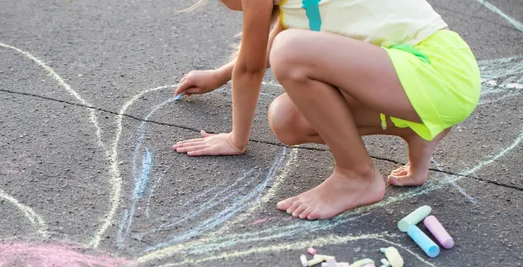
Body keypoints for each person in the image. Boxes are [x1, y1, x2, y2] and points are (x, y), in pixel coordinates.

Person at [172, 0, 481, 220]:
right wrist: (219, 75)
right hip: (430, 81)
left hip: (440, 73)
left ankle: (356, 175)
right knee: (288, 119)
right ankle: (415, 129)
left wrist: (235, 139)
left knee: (289, 51)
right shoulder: (297, 7)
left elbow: (252, 68)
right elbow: (262, 53)